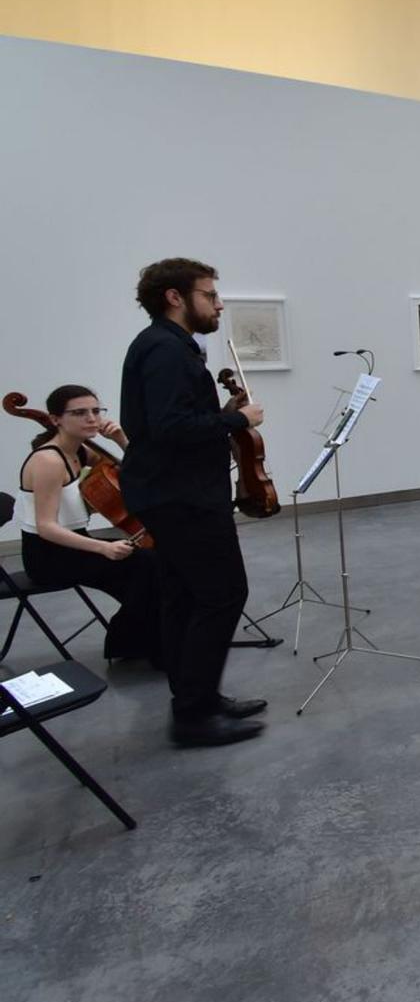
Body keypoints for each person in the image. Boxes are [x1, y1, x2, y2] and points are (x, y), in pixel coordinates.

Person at [119, 257, 267, 748]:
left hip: (172, 492)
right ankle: (194, 716)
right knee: (222, 594)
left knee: (183, 596)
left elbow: (175, 420)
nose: (219, 303)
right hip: (182, 497)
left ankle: (196, 699)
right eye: (209, 295)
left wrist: (222, 412)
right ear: (175, 298)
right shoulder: (165, 350)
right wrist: (238, 421)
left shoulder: (168, 347)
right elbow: (171, 430)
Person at [16, 385, 161, 663]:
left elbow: (135, 470)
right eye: (80, 413)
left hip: (75, 543)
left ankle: (135, 643)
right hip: (48, 555)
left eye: (96, 411)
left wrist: (121, 439)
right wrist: (101, 548)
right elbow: (46, 527)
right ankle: (137, 644)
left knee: (155, 567)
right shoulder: (48, 461)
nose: (92, 418)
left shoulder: (79, 450)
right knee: (147, 567)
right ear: (56, 419)